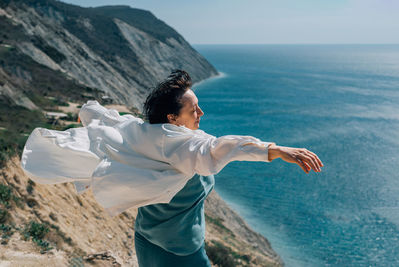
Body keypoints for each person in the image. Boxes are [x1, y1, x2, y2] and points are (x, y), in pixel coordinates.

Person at [21, 70, 323, 267]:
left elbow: (106, 117)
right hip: (182, 251)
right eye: (194, 109)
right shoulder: (182, 146)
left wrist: (85, 114)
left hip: (146, 238)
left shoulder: (142, 131)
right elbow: (223, 148)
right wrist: (275, 150)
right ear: (173, 117)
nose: (201, 113)